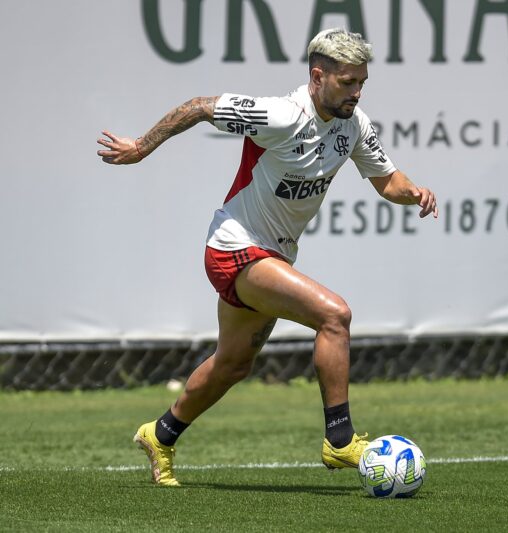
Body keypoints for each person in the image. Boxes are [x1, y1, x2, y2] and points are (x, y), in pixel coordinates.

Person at [96, 28, 438, 487]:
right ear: (318, 76)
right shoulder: (282, 115)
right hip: (235, 247)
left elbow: (387, 181)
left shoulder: (353, 125)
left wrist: (414, 193)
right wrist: (140, 147)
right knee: (334, 315)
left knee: (234, 364)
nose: (356, 92)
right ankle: (340, 440)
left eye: (362, 83)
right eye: (348, 82)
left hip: (272, 254)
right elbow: (199, 107)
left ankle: (160, 434)